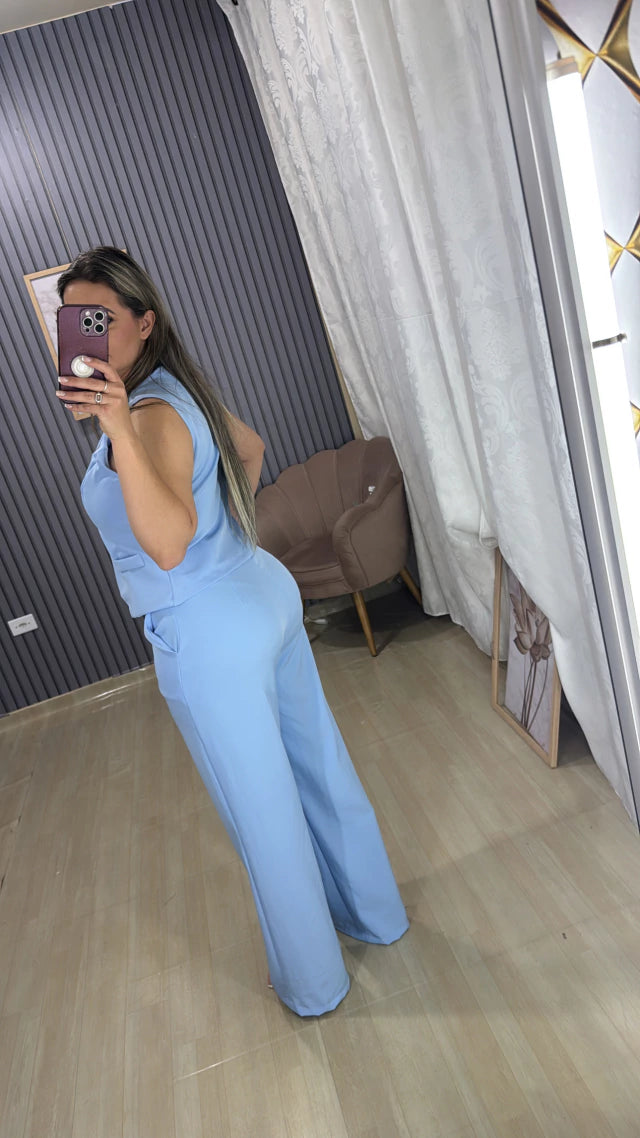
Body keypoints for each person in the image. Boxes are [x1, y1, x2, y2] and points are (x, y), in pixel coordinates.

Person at [57, 246, 408, 1016]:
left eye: (101, 318)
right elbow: (249, 450)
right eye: (74, 318)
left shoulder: (142, 417)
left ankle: (314, 985)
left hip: (208, 632)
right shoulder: (177, 387)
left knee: (263, 811)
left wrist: (119, 429)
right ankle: (377, 915)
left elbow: (168, 545)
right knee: (319, 766)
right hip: (259, 590)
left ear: (144, 323)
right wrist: (229, 539)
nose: (87, 333)